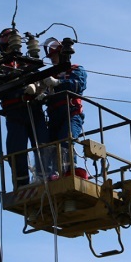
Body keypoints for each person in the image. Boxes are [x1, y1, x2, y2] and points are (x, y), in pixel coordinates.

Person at [0, 28, 49, 188]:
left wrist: (38, 88)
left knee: (44, 146)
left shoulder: (27, 63)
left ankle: (46, 177)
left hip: (34, 110)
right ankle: (22, 184)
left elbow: (42, 81)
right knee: (16, 150)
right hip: (15, 113)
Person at [42, 38, 88, 179]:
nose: (52, 60)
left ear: (62, 54)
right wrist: (41, 95)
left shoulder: (76, 69)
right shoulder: (51, 75)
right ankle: (51, 174)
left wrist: (58, 83)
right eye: (51, 57)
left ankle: (69, 172)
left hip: (71, 113)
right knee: (48, 147)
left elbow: (78, 85)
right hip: (54, 116)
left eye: (54, 56)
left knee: (65, 141)